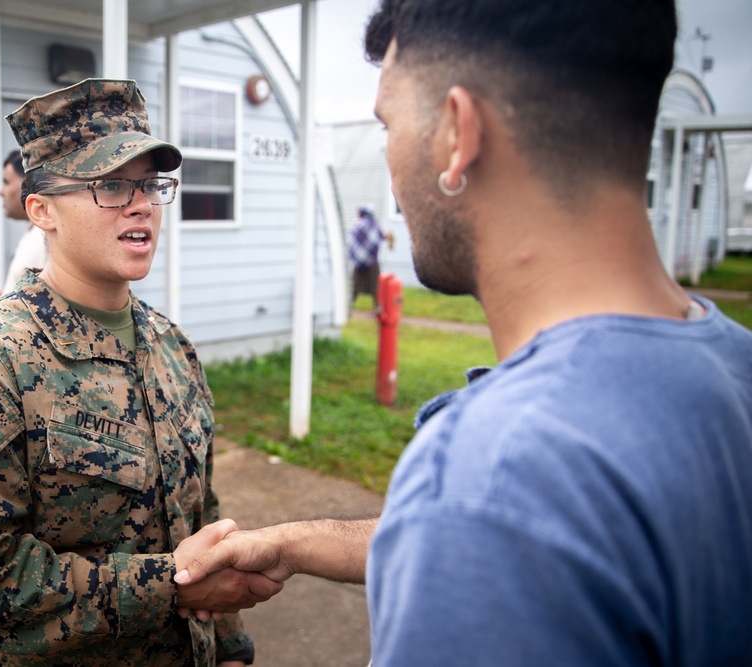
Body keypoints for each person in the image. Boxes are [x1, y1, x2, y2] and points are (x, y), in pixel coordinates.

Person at [174, 0, 752, 665]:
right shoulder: (731, 366)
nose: (390, 164)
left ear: (456, 133)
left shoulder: (496, 470)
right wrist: (297, 542)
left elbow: (491, 517)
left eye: (389, 121)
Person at [0, 78, 275, 666]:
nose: (142, 203)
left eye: (151, 184)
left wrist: (228, 646)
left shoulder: (172, 346)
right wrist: (170, 584)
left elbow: (197, 513)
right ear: (41, 210)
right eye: (110, 184)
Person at [0, 150, 48, 307]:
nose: (1, 192)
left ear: (27, 184)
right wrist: (0, 300)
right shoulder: (34, 231)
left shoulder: (46, 236)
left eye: (6, 182)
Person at [347, 203, 393, 305]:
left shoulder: (358, 225)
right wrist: (388, 237)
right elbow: (377, 238)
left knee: (355, 285)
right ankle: (378, 307)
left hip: (358, 261)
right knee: (375, 286)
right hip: (372, 261)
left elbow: (352, 241)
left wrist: (358, 255)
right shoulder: (374, 224)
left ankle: (348, 306)